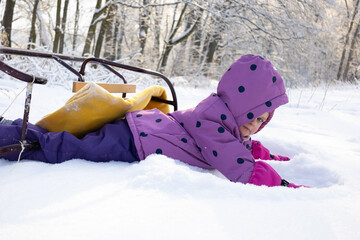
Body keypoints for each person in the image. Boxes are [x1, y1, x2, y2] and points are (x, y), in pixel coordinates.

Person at [0, 55, 305, 188]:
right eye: (252, 117)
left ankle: (11, 128)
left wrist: (269, 156)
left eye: (262, 121)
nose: (254, 126)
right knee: (68, 148)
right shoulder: (214, 124)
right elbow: (239, 168)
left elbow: (243, 147)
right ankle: (14, 141)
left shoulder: (224, 120)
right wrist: (281, 182)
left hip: (142, 132)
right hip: (133, 142)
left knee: (73, 140)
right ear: (239, 107)